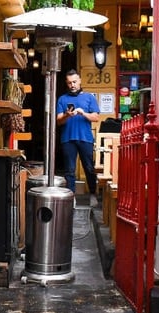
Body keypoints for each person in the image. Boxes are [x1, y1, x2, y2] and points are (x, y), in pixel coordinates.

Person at [56, 69, 101, 208]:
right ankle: (72, 197)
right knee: (69, 170)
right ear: (66, 83)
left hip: (85, 138)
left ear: (80, 81)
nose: (72, 85)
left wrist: (83, 113)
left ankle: (92, 193)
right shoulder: (62, 99)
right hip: (68, 138)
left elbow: (96, 117)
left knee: (89, 167)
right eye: (70, 83)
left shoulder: (89, 97)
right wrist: (67, 115)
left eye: (74, 82)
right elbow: (58, 121)